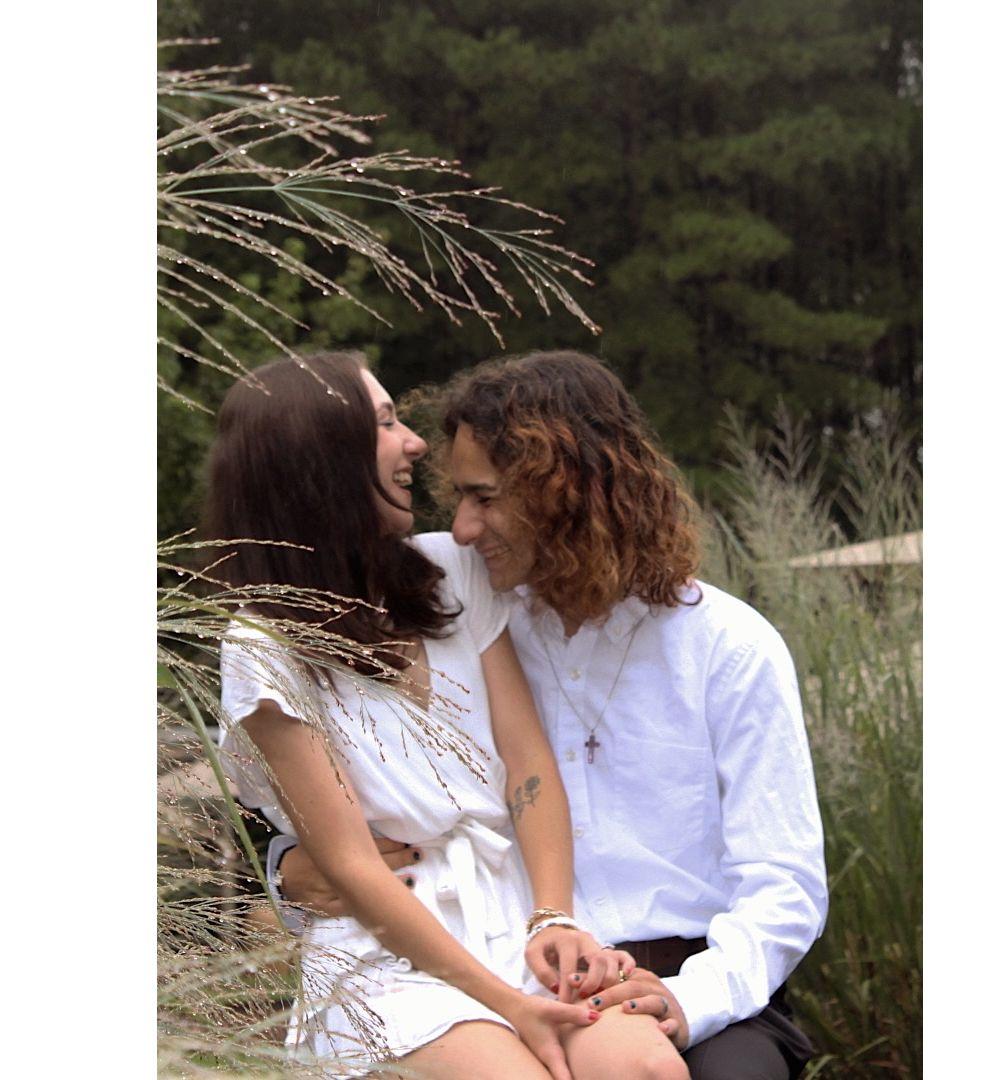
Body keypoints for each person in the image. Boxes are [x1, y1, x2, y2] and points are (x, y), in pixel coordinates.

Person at [275, 350, 829, 1079]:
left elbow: (784, 883)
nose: (462, 528)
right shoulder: (453, 611)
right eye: (458, 498)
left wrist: (689, 999)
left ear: (568, 492)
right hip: (507, 974)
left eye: (485, 498)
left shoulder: (729, 647)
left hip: (694, 979)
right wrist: (287, 865)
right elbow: (320, 738)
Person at [207, 351, 690, 1080]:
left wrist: (554, 916)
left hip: (514, 913)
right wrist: (510, 1006)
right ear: (322, 457)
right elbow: (350, 867)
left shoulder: (450, 572)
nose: (414, 443)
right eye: (386, 422)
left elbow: (527, 765)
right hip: (390, 950)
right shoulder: (265, 644)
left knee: (645, 1068)